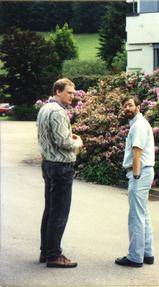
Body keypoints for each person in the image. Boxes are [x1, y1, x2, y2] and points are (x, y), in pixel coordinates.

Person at [37, 78, 83, 268]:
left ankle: (45, 252)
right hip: (60, 167)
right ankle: (54, 255)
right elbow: (63, 143)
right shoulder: (58, 112)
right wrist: (78, 142)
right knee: (59, 212)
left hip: (48, 164)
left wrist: (66, 136)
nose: (73, 96)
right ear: (58, 91)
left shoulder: (44, 109)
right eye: (69, 93)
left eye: (73, 93)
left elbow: (48, 136)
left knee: (50, 210)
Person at [115, 96, 155, 267]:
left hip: (140, 173)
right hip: (145, 172)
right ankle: (147, 253)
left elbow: (137, 152)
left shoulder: (138, 126)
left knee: (135, 216)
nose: (127, 108)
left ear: (139, 107)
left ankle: (135, 257)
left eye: (130, 105)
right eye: (125, 106)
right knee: (143, 214)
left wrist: (136, 175)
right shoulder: (140, 124)